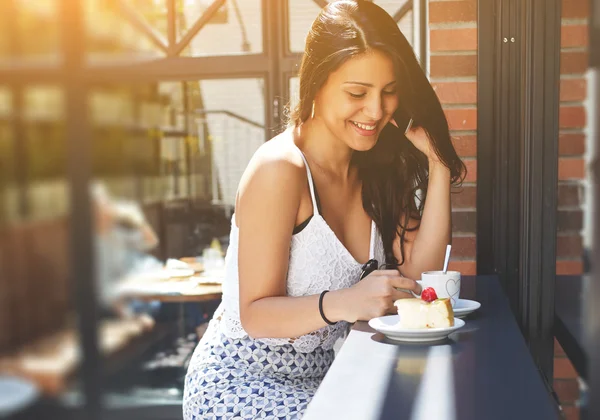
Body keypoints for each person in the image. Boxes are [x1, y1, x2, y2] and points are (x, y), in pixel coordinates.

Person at [183, 1, 466, 418]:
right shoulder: (280, 169)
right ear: (316, 83)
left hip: (327, 380)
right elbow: (255, 314)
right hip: (239, 386)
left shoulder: (376, 167)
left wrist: (438, 165)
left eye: (389, 92)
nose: (375, 110)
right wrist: (347, 302)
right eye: (357, 93)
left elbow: (416, 279)